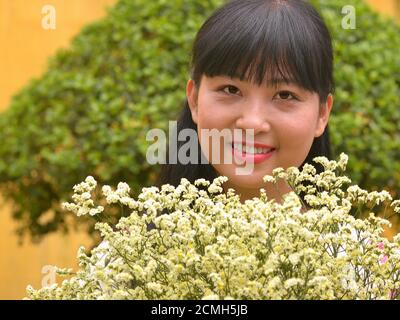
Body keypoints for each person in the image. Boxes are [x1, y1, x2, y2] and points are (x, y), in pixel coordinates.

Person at [158, 0, 334, 205]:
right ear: (194, 100)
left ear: (322, 114)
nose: (252, 123)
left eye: (285, 95)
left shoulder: (353, 238)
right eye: (231, 90)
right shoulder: (145, 237)